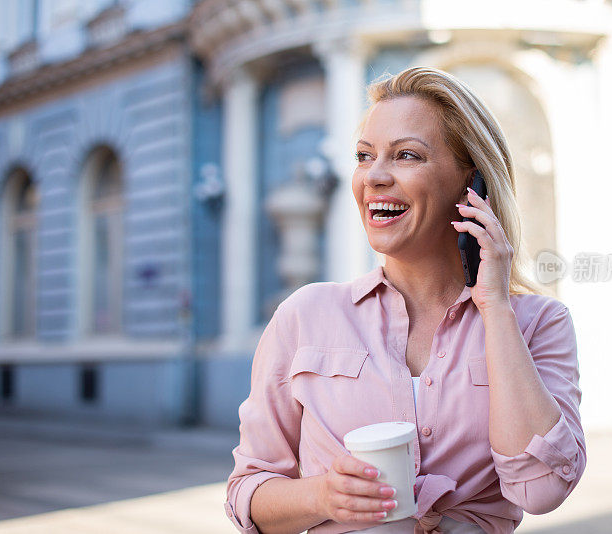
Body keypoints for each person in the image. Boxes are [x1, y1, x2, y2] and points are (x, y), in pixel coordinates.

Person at [225, 66, 586, 534]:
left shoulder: (539, 322)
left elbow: (541, 490)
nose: (374, 176)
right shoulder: (305, 315)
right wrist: (322, 494)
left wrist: (495, 306)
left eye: (406, 156)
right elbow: (247, 494)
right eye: (364, 156)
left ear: (470, 184)